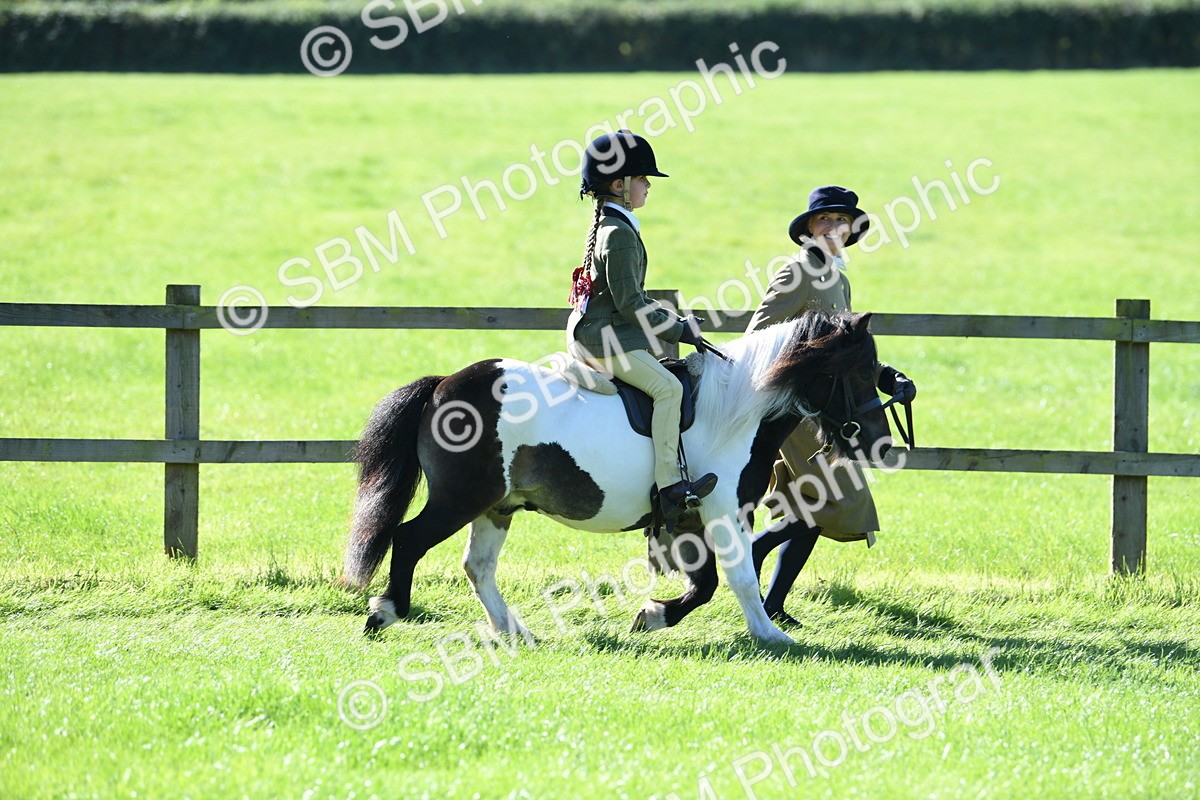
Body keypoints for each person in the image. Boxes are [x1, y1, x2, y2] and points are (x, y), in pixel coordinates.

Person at [747, 186, 916, 623]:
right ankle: (750, 553)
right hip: (795, 409)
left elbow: (845, 349)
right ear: (808, 228)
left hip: (821, 409)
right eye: (824, 220)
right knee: (833, 498)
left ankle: (772, 606)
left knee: (810, 507)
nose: (833, 228)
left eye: (842, 222)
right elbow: (758, 333)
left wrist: (885, 376)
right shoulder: (799, 271)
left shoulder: (837, 276)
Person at [566, 130, 717, 520]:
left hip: (600, 332)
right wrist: (678, 331)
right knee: (668, 389)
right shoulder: (618, 235)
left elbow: (632, 296)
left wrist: (677, 321)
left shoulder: (613, 225)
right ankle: (670, 485)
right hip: (605, 341)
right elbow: (631, 303)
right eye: (642, 179)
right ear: (619, 185)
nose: (648, 185)